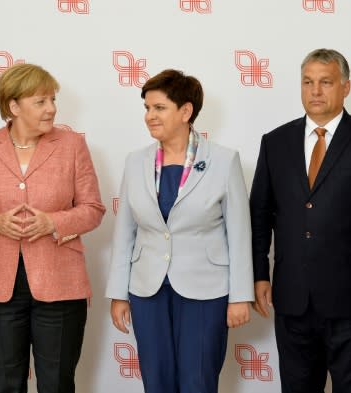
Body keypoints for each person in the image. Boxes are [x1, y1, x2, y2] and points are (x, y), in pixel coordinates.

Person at [250, 49, 351, 393]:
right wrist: (259, 275)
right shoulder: (275, 142)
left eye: (325, 82)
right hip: (292, 299)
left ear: (346, 87)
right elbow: (259, 214)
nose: (315, 91)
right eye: (308, 82)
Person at [0, 63, 105, 393]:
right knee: (4, 384)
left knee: (58, 383)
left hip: (61, 284)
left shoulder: (72, 145)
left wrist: (54, 222)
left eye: (52, 99)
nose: (51, 109)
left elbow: (93, 209)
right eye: (41, 101)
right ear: (13, 106)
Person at [105, 69, 253, 393]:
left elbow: (240, 234)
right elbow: (125, 232)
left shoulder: (224, 161)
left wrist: (241, 296)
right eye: (147, 108)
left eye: (159, 108)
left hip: (206, 290)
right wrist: (118, 292)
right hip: (147, 289)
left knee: (198, 380)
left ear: (185, 111)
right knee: (156, 380)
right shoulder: (135, 162)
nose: (149, 116)